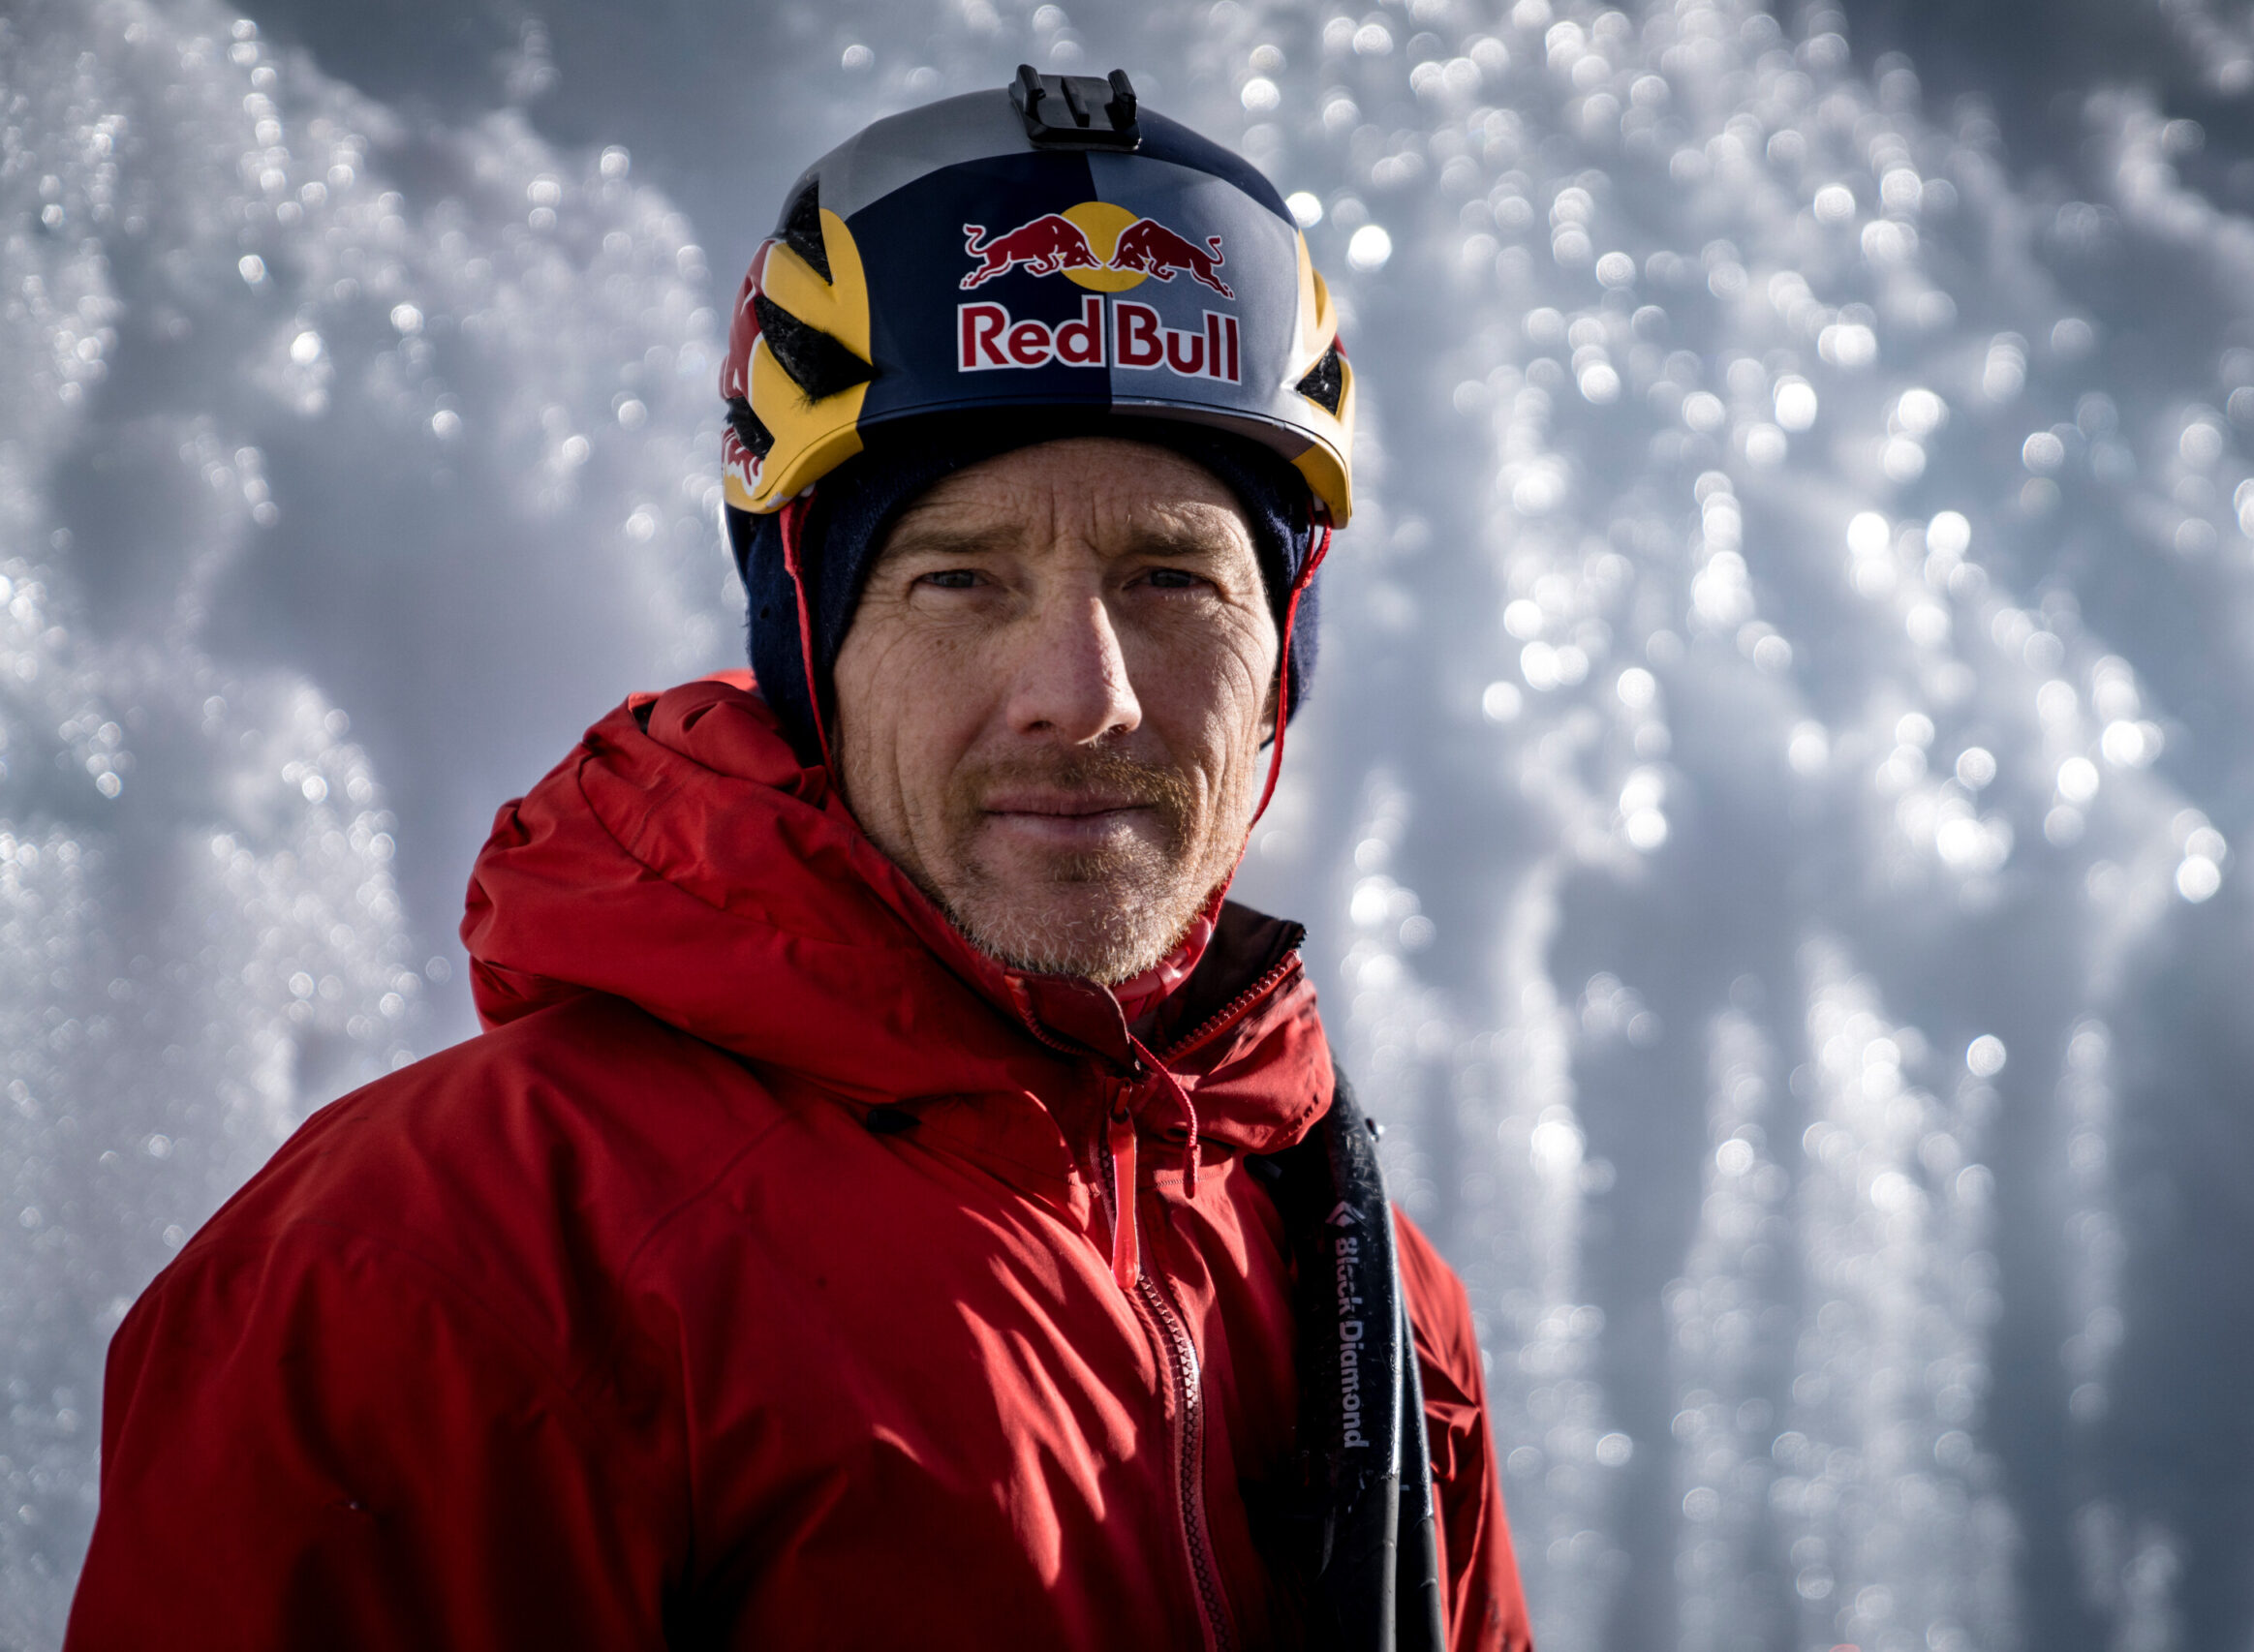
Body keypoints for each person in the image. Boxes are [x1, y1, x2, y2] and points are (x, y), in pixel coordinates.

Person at [65, 70, 1530, 1652]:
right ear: (809, 650)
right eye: (959, 577)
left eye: (1174, 578)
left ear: (1283, 662)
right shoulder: (443, 1271)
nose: (1083, 692)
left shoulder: (1364, 1292)